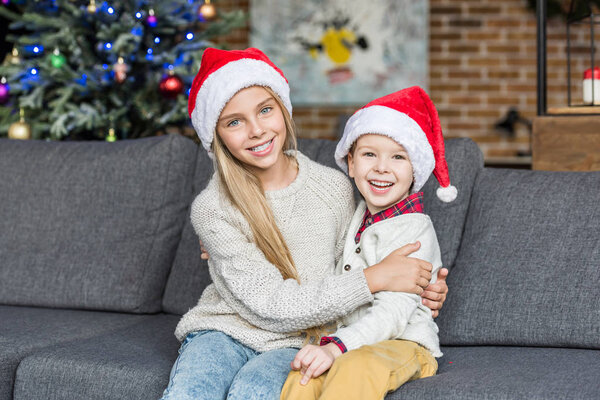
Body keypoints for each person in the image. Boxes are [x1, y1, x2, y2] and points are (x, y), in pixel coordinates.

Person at [159, 48, 448, 400]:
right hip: (224, 329)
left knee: (253, 392)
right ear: (216, 137)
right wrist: (378, 279)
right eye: (234, 122)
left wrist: (421, 286)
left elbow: (360, 257)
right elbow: (270, 303)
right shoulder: (214, 208)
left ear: (283, 109)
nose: (256, 130)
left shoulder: (336, 188)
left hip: (305, 336)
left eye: (265, 110)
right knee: (191, 392)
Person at [280, 86, 457, 400]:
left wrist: (337, 347)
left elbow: (393, 312)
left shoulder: (413, 231)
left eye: (398, 157)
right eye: (369, 154)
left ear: (415, 169)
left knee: (355, 368)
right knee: (303, 376)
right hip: (351, 342)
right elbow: (302, 233)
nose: (381, 167)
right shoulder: (354, 213)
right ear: (351, 163)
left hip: (403, 343)